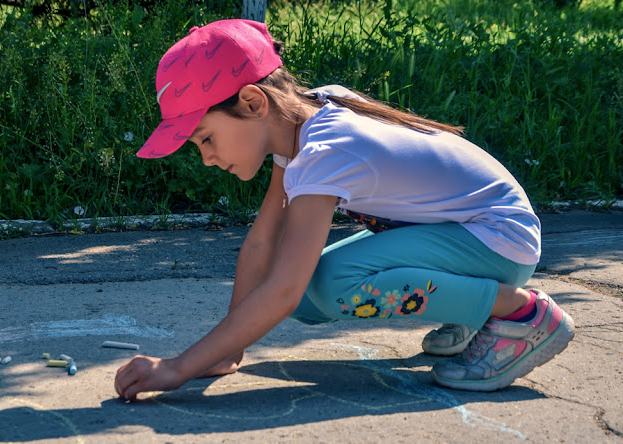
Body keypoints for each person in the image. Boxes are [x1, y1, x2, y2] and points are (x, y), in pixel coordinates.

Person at [114, 19, 575, 400]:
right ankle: (473, 305)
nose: (208, 158)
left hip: (499, 239)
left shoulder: (325, 152)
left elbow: (282, 293)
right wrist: (222, 352)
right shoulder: (304, 118)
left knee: (332, 284)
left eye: (206, 139)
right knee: (303, 281)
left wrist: (178, 368)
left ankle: (519, 315)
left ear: (253, 102)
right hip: (472, 232)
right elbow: (261, 243)